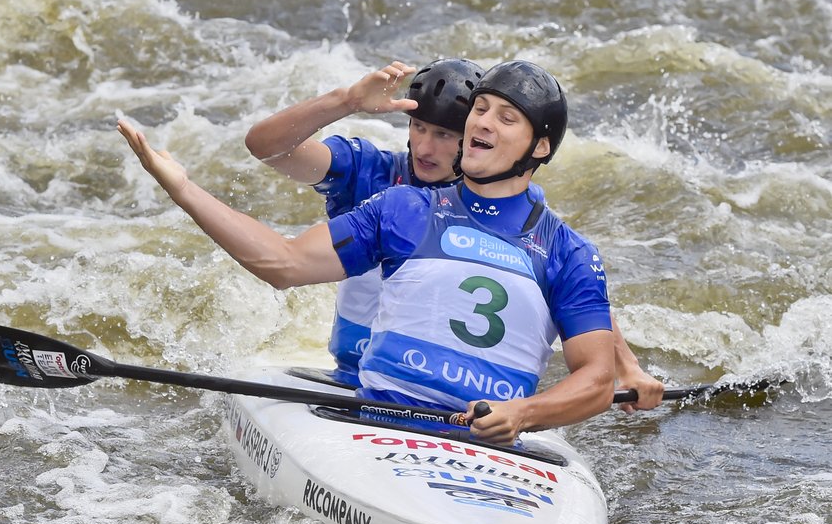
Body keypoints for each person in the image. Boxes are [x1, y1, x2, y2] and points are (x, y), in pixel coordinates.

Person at [118, 60, 639, 445]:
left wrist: (525, 414)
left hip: (490, 435)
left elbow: (592, 370)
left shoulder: (564, 246)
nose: (481, 124)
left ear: (539, 148)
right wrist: (184, 189)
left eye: (505, 118)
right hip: (382, 413)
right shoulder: (401, 205)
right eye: (480, 110)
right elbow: (285, 263)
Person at [244, 58, 663, 412]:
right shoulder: (366, 172)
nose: (425, 149)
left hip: (458, 400)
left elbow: (568, 286)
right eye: (419, 127)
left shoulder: (510, 202)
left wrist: (625, 365)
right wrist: (346, 101)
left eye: (444, 135)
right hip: (360, 377)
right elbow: (267, 146)